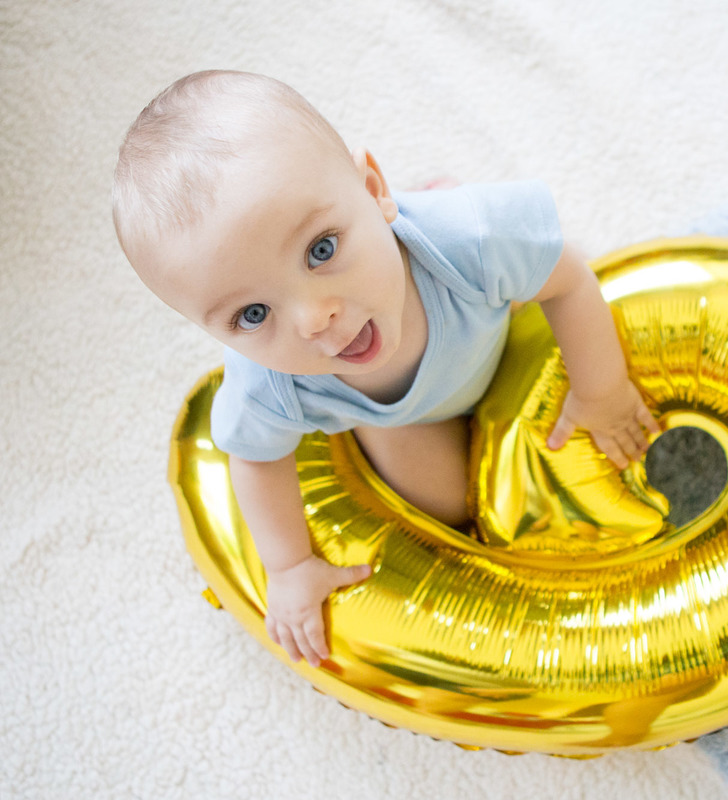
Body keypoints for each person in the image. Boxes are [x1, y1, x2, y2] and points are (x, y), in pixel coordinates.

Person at [112, 70, 659, 670]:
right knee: (449, 511)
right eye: (252, 313)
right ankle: (369, 425)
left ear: (372, 186)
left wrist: (602, 392)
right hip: (407, 417)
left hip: (493, 319)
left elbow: (570, 277)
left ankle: (424, 197)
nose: (316, 318)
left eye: (321, 249)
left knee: (531, 268)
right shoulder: (268, 383)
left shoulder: (469, 239)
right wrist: (289, 567)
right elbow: (255, 458)